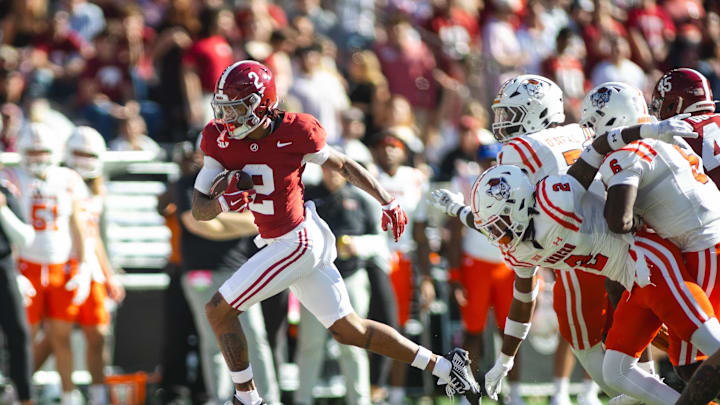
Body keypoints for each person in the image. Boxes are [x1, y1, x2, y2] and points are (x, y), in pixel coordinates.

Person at [191, 60, 480, 405]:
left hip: (298, 240)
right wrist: (226, 202)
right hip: (283, 241)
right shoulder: (216, 139)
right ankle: (448, 368)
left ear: (261, 105)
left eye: (236, 108)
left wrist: (386, 200)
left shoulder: (297, 130)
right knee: (349, 329)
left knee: (218, 310)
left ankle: (248, 400)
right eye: (223, 108)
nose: (228, 118)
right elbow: (200, 209)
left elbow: (342, 165)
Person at [432, 113, 715, 405]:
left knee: (709, 342)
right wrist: (504, 361)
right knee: (617, 372)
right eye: (493, 227)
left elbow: (597, 147)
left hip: (648, 263)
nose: (496, 235)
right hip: (628, 282)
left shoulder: (557, 198)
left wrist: (652, 129)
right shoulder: (513, 240)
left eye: (499, 224)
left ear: (520, 205)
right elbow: (519, 295)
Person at [488, 74, 626, 402]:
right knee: (635, 341)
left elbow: (524, 294)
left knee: (600, 359)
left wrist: (504, 360)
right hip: (624, 244)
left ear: (536, 111)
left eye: (511, 113)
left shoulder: (519, 151)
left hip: (575, 255)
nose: (504, 123)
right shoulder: (582, 131)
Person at [177, 135, 280, 405]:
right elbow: (200, 224)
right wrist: (238, 221)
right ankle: (219, 398)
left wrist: (220, 217)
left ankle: (267, 398)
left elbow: (259, 221)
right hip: (203, 272)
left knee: (255, 336)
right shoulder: (188, 183)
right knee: (213, 340)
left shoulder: (244, 181)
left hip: (241, 269)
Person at [1, 123, 91, 405]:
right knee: (22, 336)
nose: (38, 156)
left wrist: (85, 265)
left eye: (43, 150)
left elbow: (79, 224)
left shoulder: (68, 178)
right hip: (26, 264)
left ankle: (68, 395)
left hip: (60, 264)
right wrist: (14, 269)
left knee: (60, 337)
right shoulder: (11, 176)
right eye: (33, 150)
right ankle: (20, 394)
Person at [297, 158, 385, 405]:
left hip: (351, 276)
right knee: (310, 344)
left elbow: (380, 242)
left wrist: (358, 246)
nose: (331, 173)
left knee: (354, 343)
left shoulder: (360, 199)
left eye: (335, 168)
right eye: (326, 167)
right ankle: (303, 399)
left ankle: (360, 401)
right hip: (313, 278)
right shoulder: (308, 196)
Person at [371, 130, 435, 405]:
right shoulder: (369, 173)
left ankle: (395, 394)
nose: (388, 151)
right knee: (369, 325)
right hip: (372, 258)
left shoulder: (414, 179)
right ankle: (370, 389)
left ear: (404, 151)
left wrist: (427, 278)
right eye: (383, 145)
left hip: (402, 259)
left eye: (394, 146)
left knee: (397, 329)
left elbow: (420, 233)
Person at [64, 126, 126, 405]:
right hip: (62, 265)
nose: (84, 159)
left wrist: (109, 273)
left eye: (89, 154)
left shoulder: (97, 187)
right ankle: (21, 390)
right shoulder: (59, 180)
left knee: (98, 335)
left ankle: (98, 398)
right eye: (78, 153)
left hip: (91, 267)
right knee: (55, 336)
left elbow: (94, 235)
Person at [0, 178, 36, 405]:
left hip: (3, 269)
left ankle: (25, 398)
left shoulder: (4, 191)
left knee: (19, 334)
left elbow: (25, 238)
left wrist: (2, 209)